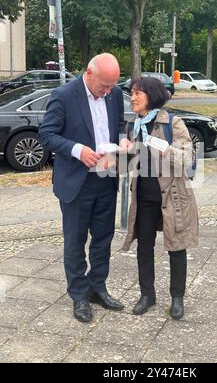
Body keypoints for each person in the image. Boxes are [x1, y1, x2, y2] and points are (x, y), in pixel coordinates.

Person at [39, 54, 127, 322]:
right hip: (76, 182)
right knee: (76, 242)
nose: (109, 91)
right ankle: (79, 295)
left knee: (103, 239)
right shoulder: (64, 95)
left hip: (106, 179)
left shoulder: (114, 93)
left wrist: (122, 143)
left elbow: (120, 127)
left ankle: (97, 288)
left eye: (112, 86)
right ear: (89, 73)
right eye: (104, 86)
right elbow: (47, 135)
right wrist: (77, 150)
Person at [122, 77, 199, 320]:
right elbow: (130, 165)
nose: (132, 98)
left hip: (173, 196)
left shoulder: (172, 123)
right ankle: (147, 295)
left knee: (176, 247)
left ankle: (177, 298)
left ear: (152, 96)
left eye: (137, 93)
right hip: (143, 196)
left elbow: (189, 160)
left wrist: (164, 148)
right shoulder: (132, 126)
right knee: (144, 247)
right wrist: (121, 153)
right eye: (132, 93)